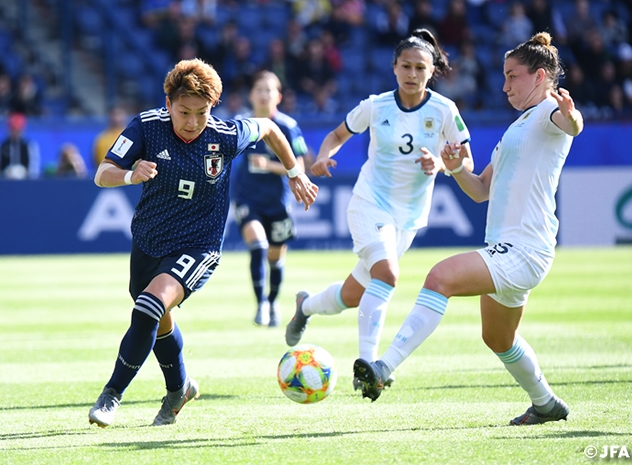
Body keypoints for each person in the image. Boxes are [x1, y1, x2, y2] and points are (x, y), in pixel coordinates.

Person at [353, 32, 584, 427]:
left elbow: (572, 125)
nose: (505, 85)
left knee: (439, 276)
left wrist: (572, 114)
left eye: (513, 76)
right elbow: (480, 191)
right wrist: (456, 166)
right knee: (498, 339)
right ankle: (545, 403)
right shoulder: (518, 128)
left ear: (540, 76)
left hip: (523, 248)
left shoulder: (548, 112)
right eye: (505, 76)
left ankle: (383, 368)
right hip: (511, 247)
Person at [88, 58, 318, 428]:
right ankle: (179, 389)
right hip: (149, 241)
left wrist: (295, 173)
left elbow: (271, 129)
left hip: (199, 245)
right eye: (184, 112)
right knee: (157, 318)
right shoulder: (147, 126)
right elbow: (102, 174)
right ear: (168, 104)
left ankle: (111, 395)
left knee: (149, 306)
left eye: (202, 112)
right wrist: (131, 174)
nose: (193, 122)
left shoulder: (225, 134)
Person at [285, 29, 473, 391]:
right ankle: (368, 368)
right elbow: (337, 134)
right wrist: (324, 157)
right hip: (369, 204)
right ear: (394, 67)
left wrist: (442, 163)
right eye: (406, 66)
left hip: (408, 220)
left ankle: (305, 305)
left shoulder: (445, 110)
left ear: (431, 71)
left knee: (354, 295)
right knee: (387, 275)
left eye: (420, 67)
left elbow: (465, 158)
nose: (412, 74)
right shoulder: (376, 105)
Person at [231, 71, 310, 327]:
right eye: (259, 90)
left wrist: (268, 165)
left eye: (269, 90)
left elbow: (299, 166)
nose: (264, 95)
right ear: (251, 95)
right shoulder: (241, 123)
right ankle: (261, 305)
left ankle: (273, 302)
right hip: (247, 198)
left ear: (278, 96)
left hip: (277, 201)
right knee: (258, 245)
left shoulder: (287, 126)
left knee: (275, 258)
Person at [0, 112, 40, 179]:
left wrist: (25, 174)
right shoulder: (3, 145)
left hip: (25, 182)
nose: (15, 132)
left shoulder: (29, 145)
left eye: (18, 130)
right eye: (13, 129)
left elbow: (34, 167)